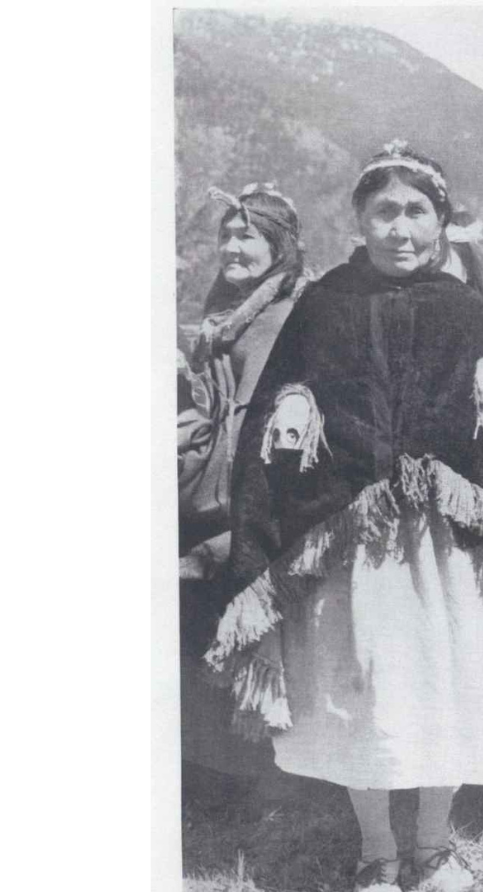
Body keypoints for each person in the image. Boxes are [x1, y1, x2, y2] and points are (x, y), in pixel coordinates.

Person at [206, 141, 483, 892]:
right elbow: (276, 413)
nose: (401, 229)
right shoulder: (325, 305)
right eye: (385, 211)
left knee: (447, 676)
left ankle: (433, 846)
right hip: (350, 541)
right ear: (361, 219)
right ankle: (376, 853)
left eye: (416, 212)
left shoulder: (469, 314)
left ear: (440, 222)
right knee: (363, 681)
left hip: (448, 545)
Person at [178, 182, 314, 783]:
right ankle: (215, 769)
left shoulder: (287, 315)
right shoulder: (223, 314)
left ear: (280, 246)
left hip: (256, 490)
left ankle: (263, 776)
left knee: (253, 621)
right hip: (207, 488)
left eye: (248, 235)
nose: (233, 247)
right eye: (226, 235)